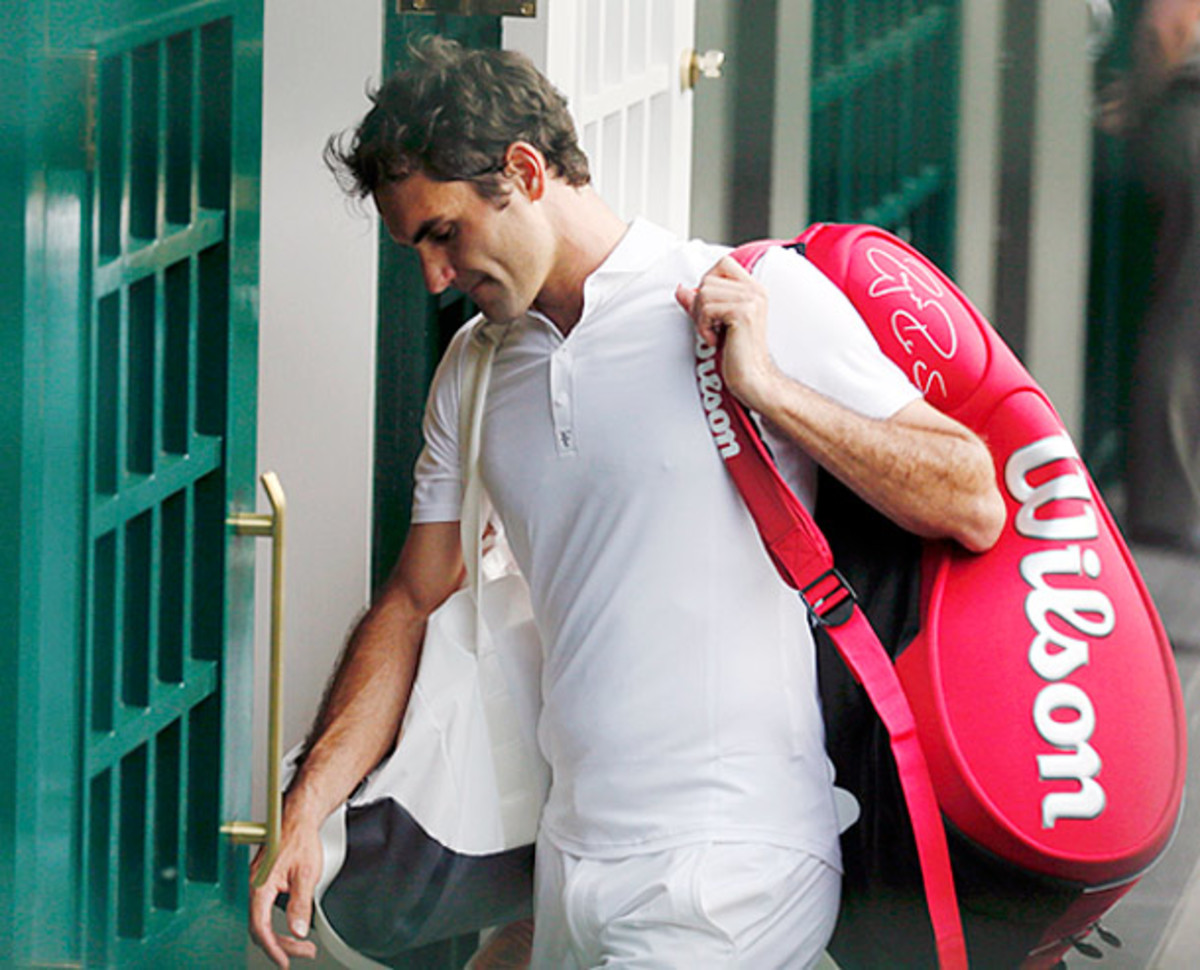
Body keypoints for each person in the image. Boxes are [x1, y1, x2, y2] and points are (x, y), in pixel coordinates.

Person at [248, 36, 1005, 970]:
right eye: (418, 249)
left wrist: (769, 390)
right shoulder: (474, 373)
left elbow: (972, 494)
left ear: (524, 173)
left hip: (733, 866)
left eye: (443, 233)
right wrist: (308, 804)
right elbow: (413, 600)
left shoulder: (751, 295)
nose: (435, 275)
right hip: (566, 865)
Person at [1121, 0, 1200, 553]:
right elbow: (1163, 27)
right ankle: (1167, 508)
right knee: (1182, 314)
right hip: (1187, 115)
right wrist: (1144, 107)